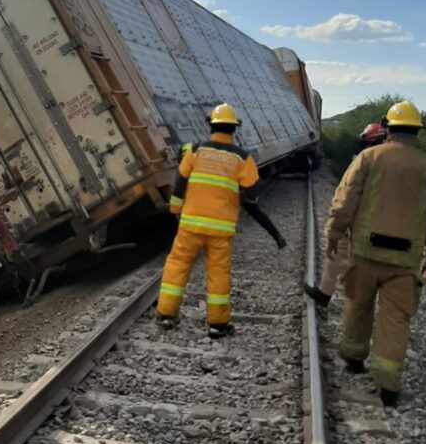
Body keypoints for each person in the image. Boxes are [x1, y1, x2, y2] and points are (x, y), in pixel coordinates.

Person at [325, 101, 426, 406]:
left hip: (365, 251)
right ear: (417, 131)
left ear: (387, 126)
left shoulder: (369, 157)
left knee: (358, 304)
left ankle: (354, 359)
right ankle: (388, 385)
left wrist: (334, 232)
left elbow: (345, 200)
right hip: (405, 261)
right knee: (395, 320)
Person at [157, 103, 286, 338]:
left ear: (211, 126)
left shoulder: (195, 151)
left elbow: (180, 182)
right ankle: (217, 324)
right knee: (218, 273)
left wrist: (176, 209)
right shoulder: (242, 158)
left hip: (190, 225)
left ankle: (166, 315)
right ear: (233, 129)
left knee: (177, 266)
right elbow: (253, 193)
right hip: (220, 230)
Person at [303, 122, 387, 309]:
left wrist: (336, 227)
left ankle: (326, 293)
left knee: (339, 252)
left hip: (359, 225)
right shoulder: (393, 164)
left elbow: (347, 197)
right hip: (384, 227)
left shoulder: (364, 161)